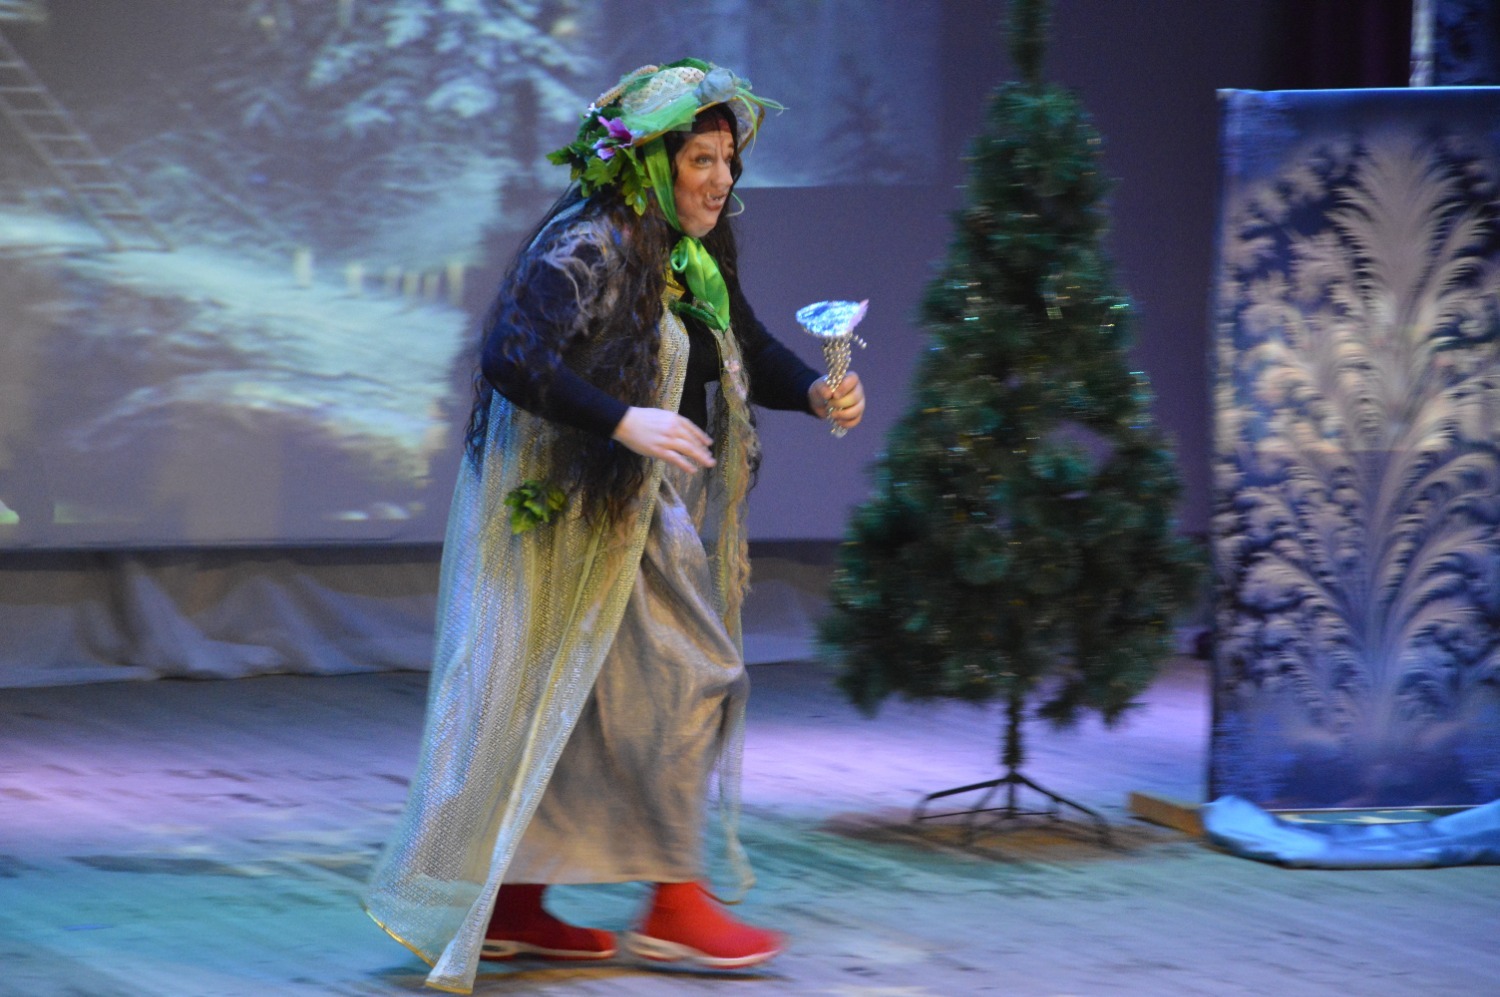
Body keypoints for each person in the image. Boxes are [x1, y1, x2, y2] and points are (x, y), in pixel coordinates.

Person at [363, 58, 865, 994]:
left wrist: (814, 391)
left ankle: (515, 903)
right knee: (690, 673)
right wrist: (624, 419)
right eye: (701, 160)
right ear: (652, 165)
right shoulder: (590, 241)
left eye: (728, 161)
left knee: (588, 696)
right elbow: (513, 354)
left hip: (627, 504)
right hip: (571, 505)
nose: (720, 180)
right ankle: (673, 904)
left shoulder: (686, 253)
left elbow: (743, 346)